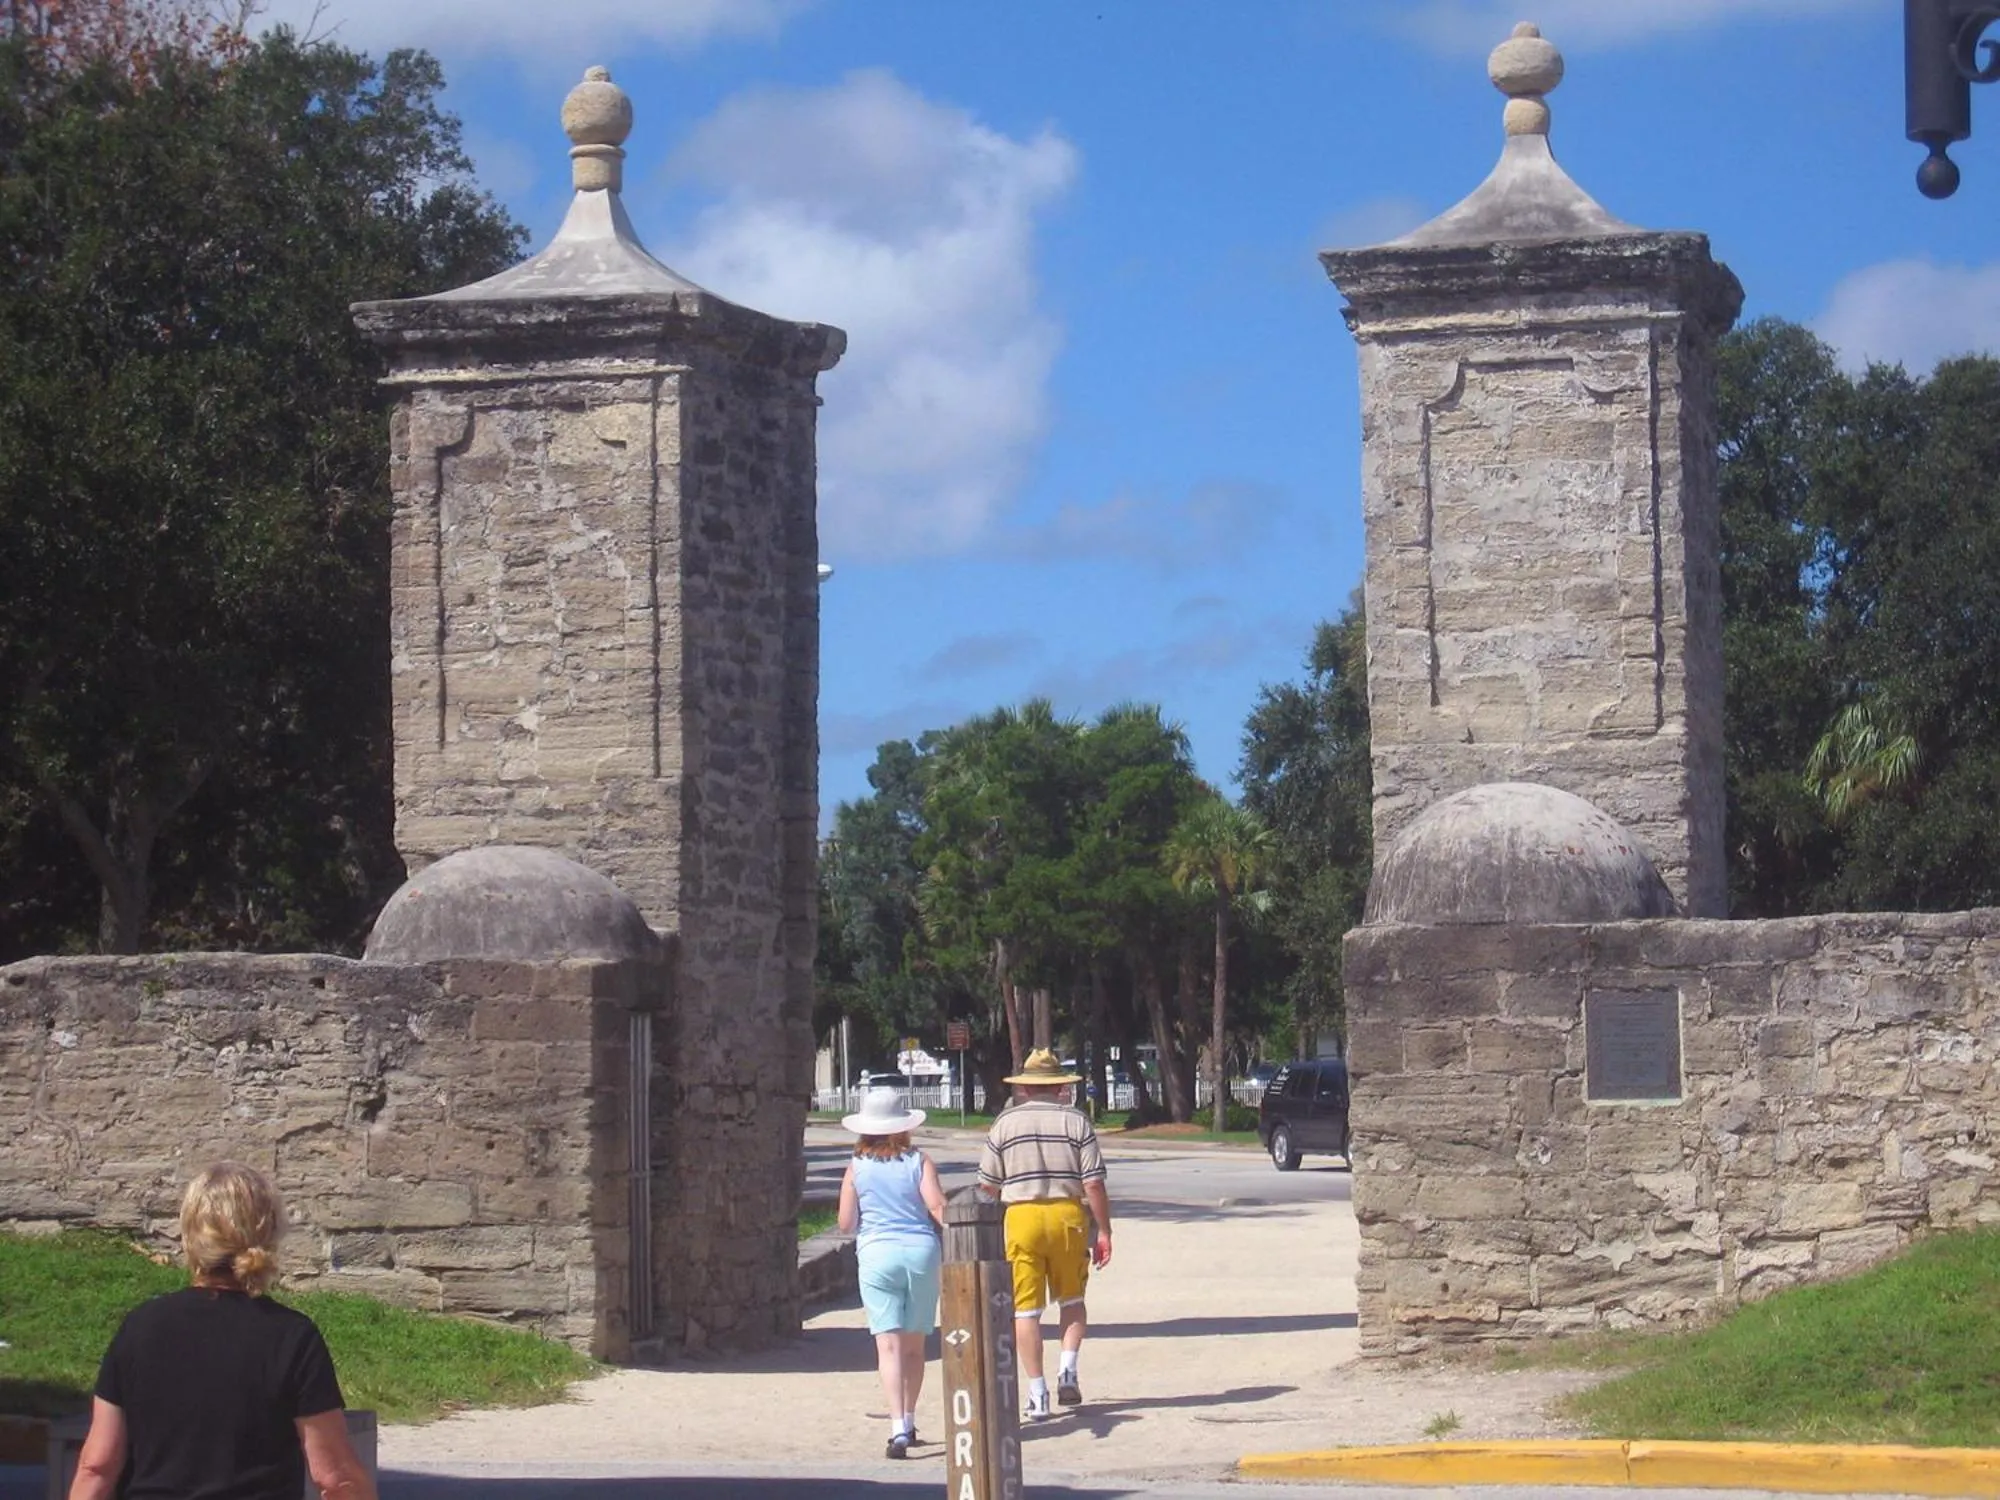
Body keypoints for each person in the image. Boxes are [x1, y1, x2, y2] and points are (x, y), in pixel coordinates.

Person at [68, 1162, 377, 1500]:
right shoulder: (291, 1337)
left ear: (189, 1235)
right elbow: (335, 1478)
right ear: (268, 1233)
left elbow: (96, 1465)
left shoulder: (139, 1328)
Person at [977, 1049, 1113, 1421]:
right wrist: (1104, 1229)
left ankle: (1037, 1393)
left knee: (1026, 1310)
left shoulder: (1004, 1124)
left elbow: (987, 1185)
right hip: (1067, 1215)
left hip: (1020, 1217)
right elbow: (1094, 1183)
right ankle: (1067, 1367)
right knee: (1072, 1298)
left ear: (1024, 1088)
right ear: (1059, 1087)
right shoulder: (1076, 1122)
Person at [836, 1085, 947, 1460]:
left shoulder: (856, 1168)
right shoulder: (920, 1161)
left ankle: (897, 1425)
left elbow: (846, 1223)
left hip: (877, 1254)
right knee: (916, 1346)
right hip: (920, 1251)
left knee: (888, 1345)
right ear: (904, 1126)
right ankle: (912, 1417)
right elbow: (937, 1206)